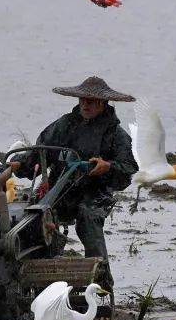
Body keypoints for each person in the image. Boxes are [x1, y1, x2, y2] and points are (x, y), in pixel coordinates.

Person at [17, 76, 138, 259]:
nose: (85, 105)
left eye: (91, 101)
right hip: (59, 189)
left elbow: (128, 168)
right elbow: (39, 152)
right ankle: (40, 265)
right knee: (33, 215)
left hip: (96, 193)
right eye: (82, 100)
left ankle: (101, 275)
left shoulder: (116, 134)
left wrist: (108, 167)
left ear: (103, 103)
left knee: (87, 219)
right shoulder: (63, 125)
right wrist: (19, 163)